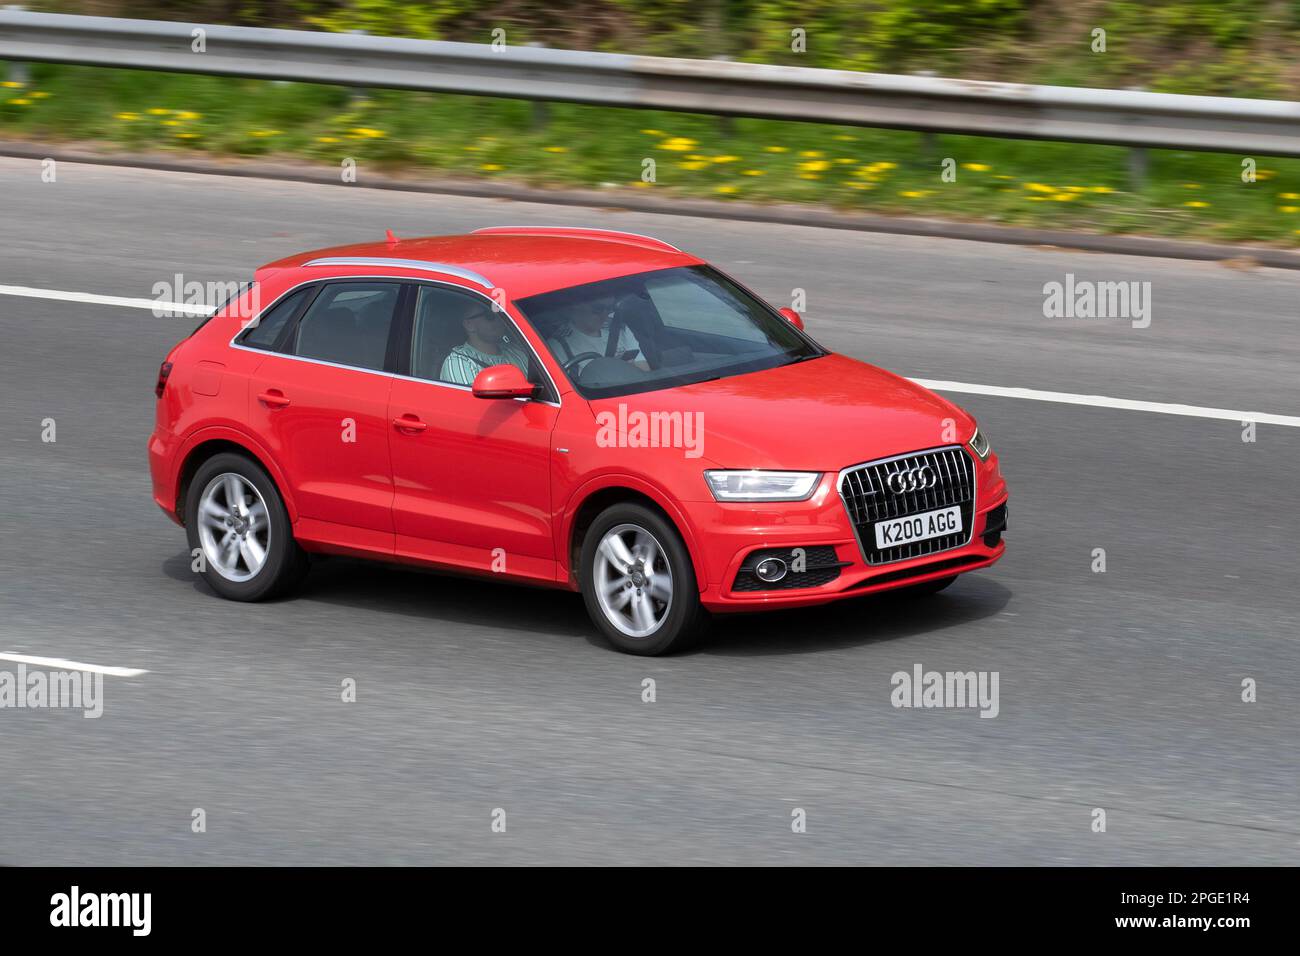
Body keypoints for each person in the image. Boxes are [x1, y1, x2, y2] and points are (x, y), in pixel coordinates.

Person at [439, 298, 531, 386]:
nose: (499, 318)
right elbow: (471, 402)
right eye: (489, 315)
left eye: (499, 312)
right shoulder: (458, 363)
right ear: (469, 325)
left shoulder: (517, 351)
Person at [547, 295, 647, 369]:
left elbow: (644, 368)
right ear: (576, 304)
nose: (604, 314)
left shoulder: (619, 328)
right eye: (598, 308)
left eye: (609, 309)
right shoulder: (558, 346)